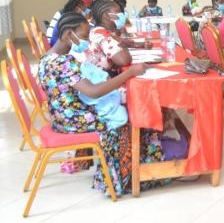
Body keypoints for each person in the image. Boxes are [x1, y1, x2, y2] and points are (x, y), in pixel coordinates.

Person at [37, 12, 165, 195]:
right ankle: (124, 177)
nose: (87, 42)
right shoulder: (62, 62)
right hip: (74, 121)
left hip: (61, 117)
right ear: (67, 34)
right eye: (82, 37)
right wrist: (129, 74)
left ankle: (139, 164)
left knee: (120, 105)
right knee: (129, 115)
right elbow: (93, 91)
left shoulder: (46, 58)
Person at [87, 0, 134, 73]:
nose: (122, 15)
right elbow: (124, 60)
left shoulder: (102, 31)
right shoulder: (101, 34)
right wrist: (123, 47)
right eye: (118, 12)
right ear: (106, 15)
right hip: (104, 79)